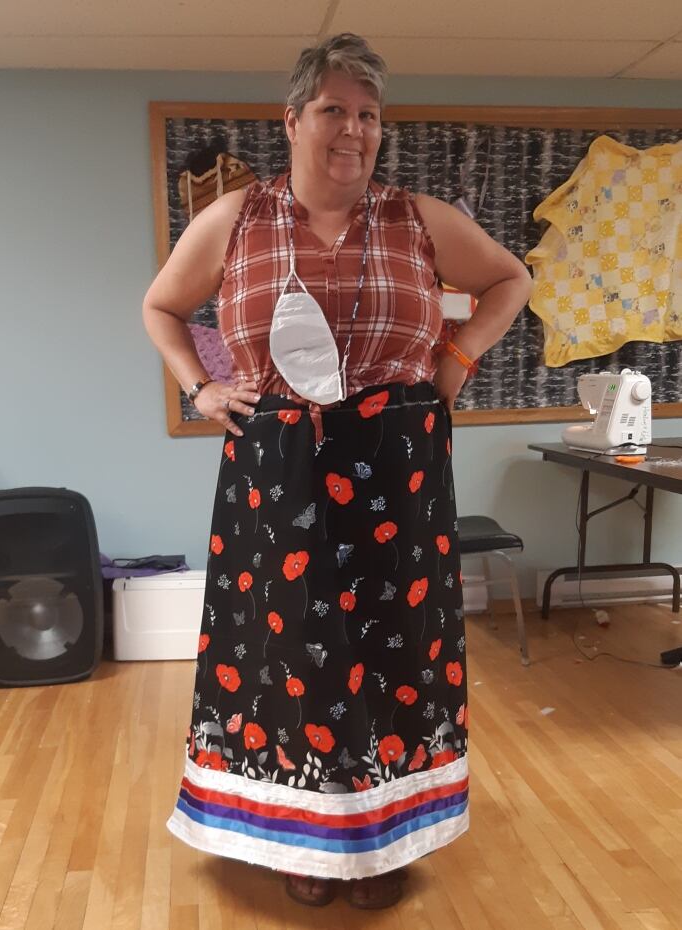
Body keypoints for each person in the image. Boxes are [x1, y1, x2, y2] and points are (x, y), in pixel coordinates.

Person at [143, 33, 531, 910]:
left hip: (397, 465)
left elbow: (511, 279)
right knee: (287, 654)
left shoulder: (420, 220)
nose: (352, 128)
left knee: (400, 650)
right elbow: (161, 306)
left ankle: (386, 831)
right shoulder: (236, 218)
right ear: (292, 120)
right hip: (277, 466)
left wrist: (457, 360)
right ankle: (303, 836)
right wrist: (201, 387)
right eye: (333, 110)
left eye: (368, 114)